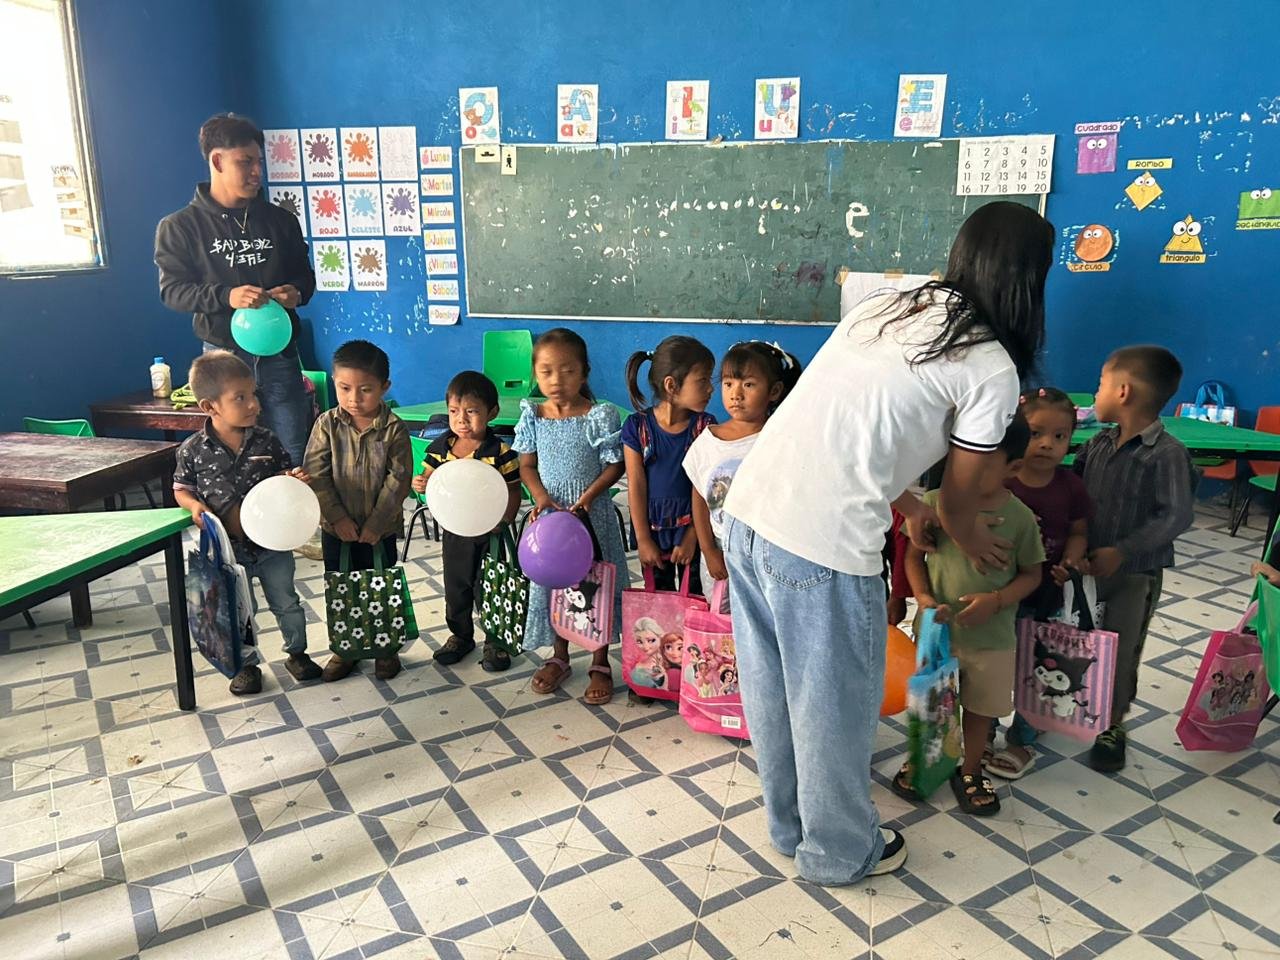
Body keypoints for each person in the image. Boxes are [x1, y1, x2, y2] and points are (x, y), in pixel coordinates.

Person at [720, 200, 1056, 884]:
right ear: (1030, 281)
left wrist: (904, 505)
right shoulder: (990, 365)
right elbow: (959, 497)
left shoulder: (888, 306)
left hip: (750, 512)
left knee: (774, 690)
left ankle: (791, 828)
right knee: (833, 707)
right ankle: (840, 851)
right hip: (821, 542)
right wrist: (967, 537)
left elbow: (851, 427)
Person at [897, 415, 1045, 815]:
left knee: (979, 711)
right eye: (960, 459)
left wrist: (997, 600)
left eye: (982, 464)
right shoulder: (932, 504)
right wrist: (923, 598)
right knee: (931, 705)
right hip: (936, 635)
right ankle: (927, 759)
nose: (964, 472)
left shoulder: (1020, 518)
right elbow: (913, 558)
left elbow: (1032, 574)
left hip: (991, 640)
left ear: (1013, 467)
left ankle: (971, 769)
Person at [155, 113, 316, 469]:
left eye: (259, 162)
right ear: (217, 161)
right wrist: (226, 296)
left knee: (292, 453)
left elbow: (306, 277)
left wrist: (297, 292)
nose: (257, 171)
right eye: (245, 162)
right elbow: (173, 291)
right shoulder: (180, 226)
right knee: (234, 458)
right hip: (223, 359)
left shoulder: (280, 220)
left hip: (280, 355)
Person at [1075, 345, 1196, 772]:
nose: (1096, 393)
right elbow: (1074, 491)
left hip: (1134, 576)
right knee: (1077, 639)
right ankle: (1064, 705)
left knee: (1121, 650)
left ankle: (1112, 725)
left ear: (1123, 391)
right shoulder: (1097, 442)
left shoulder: (1167, 453)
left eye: (1100, 384)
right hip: (1085, 569)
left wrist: (1123, 551)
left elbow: (1176, 514)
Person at [172, 351, 318, 694]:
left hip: (272, 546)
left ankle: (297, 653)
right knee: (238, 609)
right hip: (228, 551)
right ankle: (247, 666)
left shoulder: (267, 439)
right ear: (209, 406)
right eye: (240, 397)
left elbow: (283, 476)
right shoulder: (192, 450)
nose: (253, 404)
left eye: (254, 394)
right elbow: (181, 488)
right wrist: (193, 506)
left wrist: (292, 478)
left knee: (287, 602)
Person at [515, 328, 628, 706]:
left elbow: (615, 465)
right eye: (546, 371)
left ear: (584, 373)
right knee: (555, 584)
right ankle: (559, 656)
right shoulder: (533, 416)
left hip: (591, 515)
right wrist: (541, 498)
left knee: (596, 584)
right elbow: (526, 465)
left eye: (567, 371)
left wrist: (590, 496)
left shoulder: (598, 415)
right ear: (535, 373)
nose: (556, 380)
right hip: (551, 520)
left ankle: (599, 661)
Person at [985, 387, 1092, 780]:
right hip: (1001, 592)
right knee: (993, 664)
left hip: (1046, 596)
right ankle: (983, 731)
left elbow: (1079, 531)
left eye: (1059, 436)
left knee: (1038, 670)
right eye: (1036, 433)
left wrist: (1072, 559)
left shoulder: (1071, 487)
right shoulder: (1002, 483)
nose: (1047, 444)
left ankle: (1022, 739)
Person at [303, 340, 413, 682]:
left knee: (380, 586)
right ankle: (345, 649)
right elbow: (316, 474)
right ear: (334, 382)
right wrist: (337, 518)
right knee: (343, 589)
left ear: (384, 387)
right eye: (344, 388)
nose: (354, 398)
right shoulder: (326, 425)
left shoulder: (394, 429)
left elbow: (399, 480)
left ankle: (385, 649)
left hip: (380, 529)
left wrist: (377, 524)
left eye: (365, 390)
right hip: (337, 530)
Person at [412, 371, 522, 672]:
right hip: (455, 531)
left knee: (491, 586)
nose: (461, 420)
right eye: (453, 411)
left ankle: (496, 641)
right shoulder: (440, 450)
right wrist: (420, 484)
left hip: (492, 532)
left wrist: (505, 518)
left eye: (471, 411)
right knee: (456, 586)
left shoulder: (500, 453)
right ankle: (460, 636)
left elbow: (513, 489)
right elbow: (430, 482)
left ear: (492, 413)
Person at [682, 341, 801, 609]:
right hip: (722, 551)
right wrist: (709, 550)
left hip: (770, 552)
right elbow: (700, 499)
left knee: (767, 618)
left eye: (748, 384)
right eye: (728, 384)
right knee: (724, 623)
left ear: (774, 391)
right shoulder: (708, 441)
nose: (736, 394)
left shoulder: (780, 440)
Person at [622, 337, 716, 594]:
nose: (711, 389)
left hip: (694, 528)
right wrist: (643, 539)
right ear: (671, 385)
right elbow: (636, 485)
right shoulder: (637, 427)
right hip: (653, 530)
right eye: (703, 381)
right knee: (659, 603)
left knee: (695, 598)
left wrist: (693, 535)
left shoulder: (705, 427)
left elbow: (707, 488)